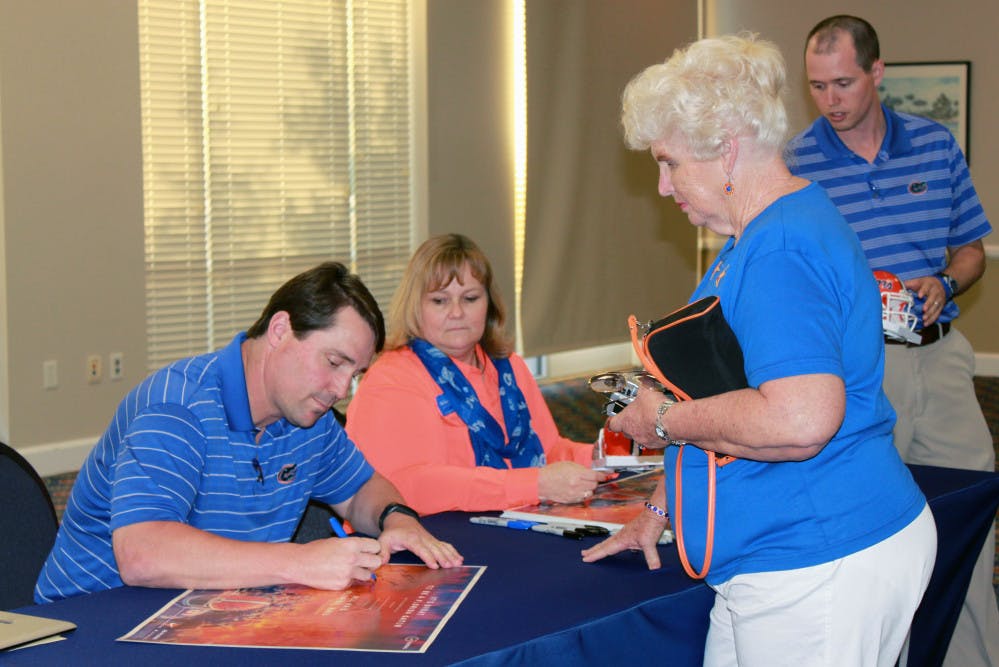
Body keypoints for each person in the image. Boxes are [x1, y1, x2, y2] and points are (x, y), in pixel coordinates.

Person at [580, 34, 936, 666]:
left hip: (820, 552)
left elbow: (799, 419)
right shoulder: (772, 229)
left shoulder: (777, 251)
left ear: (726, 149)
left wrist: (660, 420)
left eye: (669, 162)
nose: (663, 187)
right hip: (798, 551)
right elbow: (728, 388)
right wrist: (664, 505)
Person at [35, 262, 462, 603]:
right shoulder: (176, 407)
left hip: (211, 615)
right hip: (94, 623)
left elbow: (359, 489)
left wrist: (396, 518)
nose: (339, 390)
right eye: (334, 363)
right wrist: (297, 562)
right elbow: (143, 554)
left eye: (355, 374)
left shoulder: (306, 415)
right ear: (279, 331)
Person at [785, 16, 998, 667]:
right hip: (859, 372)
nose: (831, 100)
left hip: (941, 357)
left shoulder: (934, 145)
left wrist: (943, 280)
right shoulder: (797, 162)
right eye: (818, 85)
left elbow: (971, 250)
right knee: (881, 533)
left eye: (844, 83)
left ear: (877, 74)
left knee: (971, 517)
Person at [346, 233, 609, 515]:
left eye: (470, 298)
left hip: (520, 519)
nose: (457, 312)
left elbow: (548, 452)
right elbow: (406, 487)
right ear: (416, 307)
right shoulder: (391, 378)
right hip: (430, 538)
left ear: (489, 304)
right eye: (439, 301)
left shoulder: (510, 367)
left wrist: (597, 457)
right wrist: (535, 484)